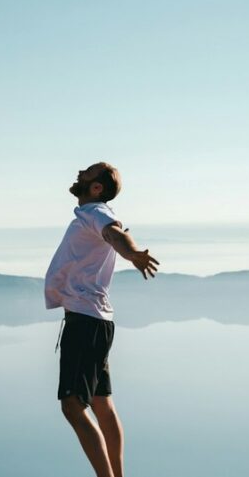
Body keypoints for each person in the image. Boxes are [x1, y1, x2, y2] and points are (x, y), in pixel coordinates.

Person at [44, 162, 159, 477]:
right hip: (96, 320)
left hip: (84, 320)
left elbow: (116, 234)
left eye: (87, 172)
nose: (79, 173)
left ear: (96, 188)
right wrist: (129, 252)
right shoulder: (92, 215)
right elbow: (115, 236)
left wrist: (131, 253)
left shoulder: (96, 213)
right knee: (101, 402)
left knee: (72, 405)